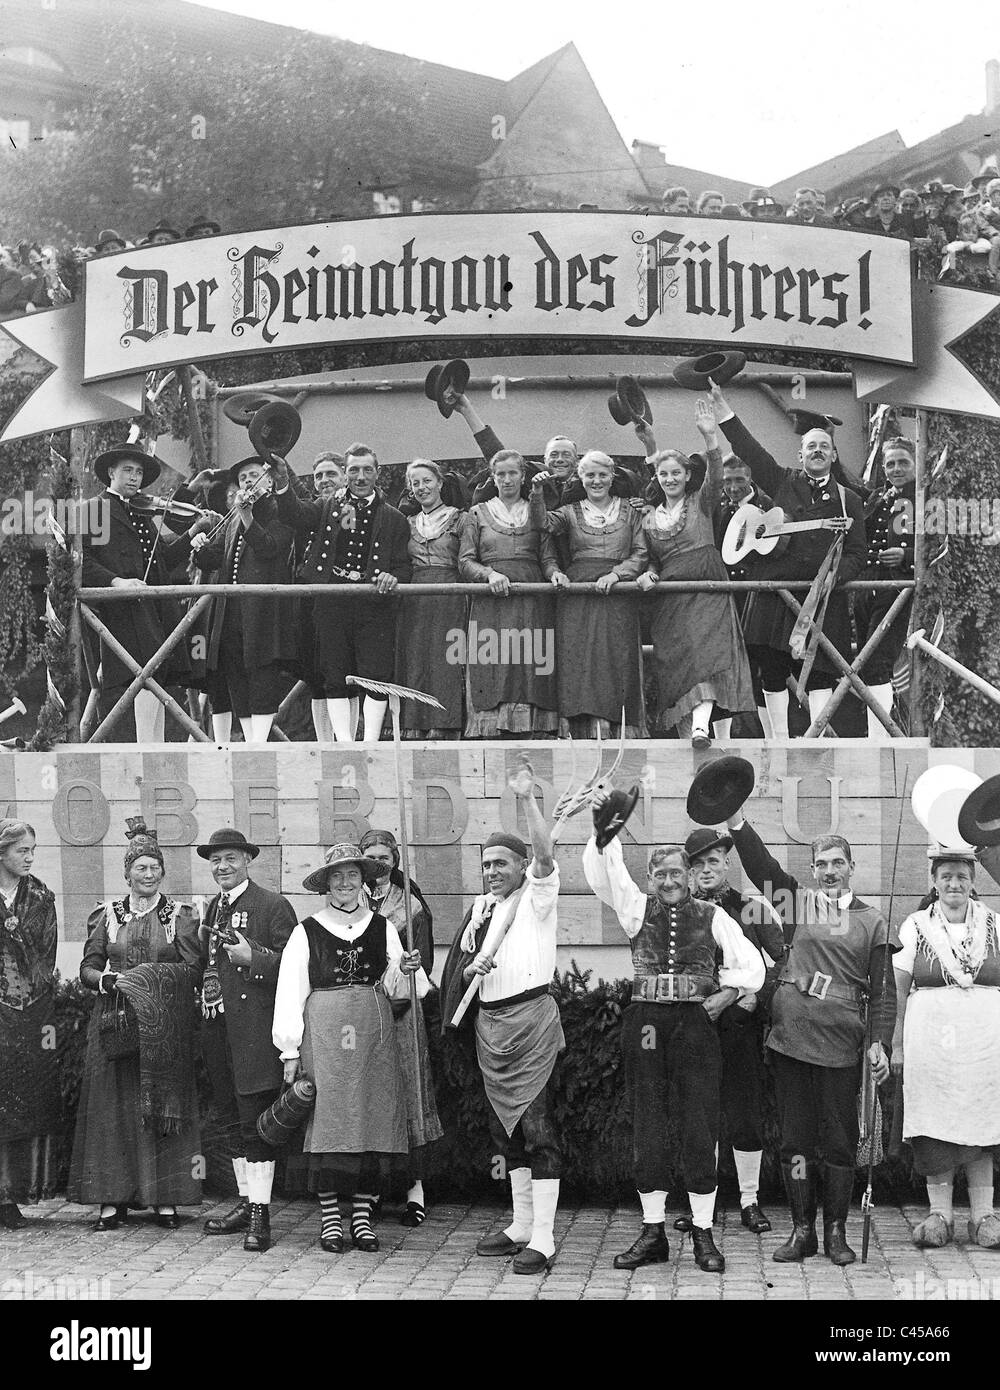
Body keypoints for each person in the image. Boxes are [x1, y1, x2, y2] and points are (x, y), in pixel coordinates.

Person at [582, 808, 764, 1272]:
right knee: (648, 1120)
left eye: (676, 873)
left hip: (696, 1024)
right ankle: (653, 1233)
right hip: (645, 1022)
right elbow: (606, 871)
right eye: (660, 874)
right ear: (650, 877)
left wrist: (723, 996)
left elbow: (753, 968)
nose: (669, 881)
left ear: (689, 875)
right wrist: (606, 829)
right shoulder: (635, 909)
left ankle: (703, 1232)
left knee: (699, 1122)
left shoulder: (713, 914)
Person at [722, 803, 895, 1265]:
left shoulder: (874, 921)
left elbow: (882, 995)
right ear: (813, 871)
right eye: (821, 864)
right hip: (791, 1040)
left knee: (838, 1141)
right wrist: (735, 821)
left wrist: (880, 1043)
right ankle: (803, 1231)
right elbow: (762, 868)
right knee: (796, 1139)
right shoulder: (798, 904)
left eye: (838, 862)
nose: (829, 871)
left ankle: (835, 1232)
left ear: (852, 868)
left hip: (842, 1045)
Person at [440, 761, 564, 1273]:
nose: (493, 871)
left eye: (501, 864)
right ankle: (519, 1225)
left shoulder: (537, 898)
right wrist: (472, 964)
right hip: (490, 1029)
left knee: (539, 1133)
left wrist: (527, 797)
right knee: (504, 1134)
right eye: (487, 864)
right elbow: (462, 973)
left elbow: (544, 852)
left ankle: (545, 1238)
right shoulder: (480, 912)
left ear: (519, 867)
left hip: (532, 1026)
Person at [274, 843, 427, 1253]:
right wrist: (290, 1051)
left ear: (363, 881)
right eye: (337, 876)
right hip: (325, 1035)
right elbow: (290, 992)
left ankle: (361, 1220)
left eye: (353, 876)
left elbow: (402, 989)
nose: (345, 883)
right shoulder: (306, 931)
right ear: (326, 883)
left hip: (373, 1035)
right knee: (330, 1124)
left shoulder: (384, 928)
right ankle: (329, 1222)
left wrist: (405, 969)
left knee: (371, 1122)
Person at [708, 381, 868, 737]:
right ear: (800, 455)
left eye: (824, 446)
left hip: (823, 598)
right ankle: (778, 743)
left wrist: (836, 576)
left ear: (833, 455)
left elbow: (858, 554)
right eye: (810, 446)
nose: (817, 451)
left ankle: (814, 744)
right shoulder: (780, 480)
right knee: (771, 668)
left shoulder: (850, 500)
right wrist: (723, 409)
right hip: (776, 594)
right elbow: (748, 448)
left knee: (823, 670)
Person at [68, 819, 203, 1230]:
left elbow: (194, 967)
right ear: (127, 872)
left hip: (163, 1027)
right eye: (140, 868)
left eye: (154, 867)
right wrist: (107, 980)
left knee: (162, 1106)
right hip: (114, 1021)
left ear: (163, 871)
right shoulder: (107, 915)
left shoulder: (179, 915)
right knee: (114, 1109)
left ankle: (165, 1198)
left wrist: (154, 981)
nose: (148, 875)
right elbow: (88, 967)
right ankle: (112, 1199)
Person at [891, 852, 1000, 1249]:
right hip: (931, 1044)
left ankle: (983, 1216)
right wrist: (897, 1042)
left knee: (981, 1122)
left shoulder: (994, 924)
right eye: (946, 876)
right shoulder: (916, 925)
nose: (954, 884)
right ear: (933, 880)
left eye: (962, 876)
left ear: (973, 881)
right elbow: (899, 988)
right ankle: (940, 1215)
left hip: (985, 1044)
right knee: (936, 1126)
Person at [197, 827, 296, 1253]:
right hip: (217, 1030)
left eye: (231, 859)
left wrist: (252, 959)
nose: (223, 867)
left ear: (247, 861)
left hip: (256, 1032)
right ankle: (244, 1201)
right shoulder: (211, 909)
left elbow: (295, 969)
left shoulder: (272, 905)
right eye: (217, 860)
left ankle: (261, 1215)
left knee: (255, 1120)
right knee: (230, 1118)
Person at [682, 826, 785, 1234]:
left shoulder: (753, 909)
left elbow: (781, 963)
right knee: (699, 1114)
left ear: (727, 862)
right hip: (694, 1026)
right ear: (688, 871)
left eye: (713, 861)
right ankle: (698, 1204)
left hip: (741, 1024)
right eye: (697, 864)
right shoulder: (678, 910)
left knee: (745, 1113)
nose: (706, 870)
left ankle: (749, 1200)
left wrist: (753, 999)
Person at [271, 444, 412, 743]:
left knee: (375, 675)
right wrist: (282, 481)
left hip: (373, 605)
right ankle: (344, 745)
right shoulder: (327, 507)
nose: (360, 477)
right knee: (334, 674)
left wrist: (392, 576)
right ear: (346, 474)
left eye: (367, 470)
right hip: (331, 603)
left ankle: (370, 743)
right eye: (354, 470)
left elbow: (403, 565)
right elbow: (295, 514)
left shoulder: (394, 518)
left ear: (378, 473)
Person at [636, 398, 755, 746]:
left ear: (687, 475)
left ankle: (703, 726)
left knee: (707, 655)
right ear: (657, 479)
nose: (670, 478)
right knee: (679, 664)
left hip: (706, 584)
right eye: (664, 474)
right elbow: (650, 558)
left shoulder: (700, 504)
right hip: (670, 595)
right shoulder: (648, 517)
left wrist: (710, 437)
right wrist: (649, 573)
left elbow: (716, 477)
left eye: (677, 473)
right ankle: (690, 734)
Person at [82, 447, 217, 741]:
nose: (134, 477)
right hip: (119, 610)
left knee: (155, 674)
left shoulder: (141, 513)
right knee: (139, 675)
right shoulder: (95, 509)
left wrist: (194, 530)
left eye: (139, 472)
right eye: (128, 470)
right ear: (111, 473)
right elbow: (81, 561)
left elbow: (163, 560)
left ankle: (153, 746)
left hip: (152, 610)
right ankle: (145, 747)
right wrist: (116, 581)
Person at [529, 449, 648, 737]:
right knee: (580, 659)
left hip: (617, 593)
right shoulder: (570, 512)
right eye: (590, 475)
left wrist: (617, 574)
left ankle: (617, 728)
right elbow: (541, 523)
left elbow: (641, 552)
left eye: (602, 475)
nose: (596, 481)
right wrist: (536, 491)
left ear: (612, 477)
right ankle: (580, 729)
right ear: (580, 478)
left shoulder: (631, 511)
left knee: (615, 657)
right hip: (579, 594)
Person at [357, 829, 442, 1226]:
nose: (378, 864)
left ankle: (415, 1191)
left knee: (408, 1090)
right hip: (362, 1012)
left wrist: (406, 969)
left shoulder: (410, 904)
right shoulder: (350, 900)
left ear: (394, 859)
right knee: (372, 1093)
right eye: (369, 857)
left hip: (404, 1010)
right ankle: (372, 1189)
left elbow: (423, 963)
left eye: (384, 857)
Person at [190, 456, 297, 744]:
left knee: (262, 673)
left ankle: (259, 744)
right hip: (231, 610)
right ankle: (251, 743)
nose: (248, 481)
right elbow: (216, 559)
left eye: (254, 475)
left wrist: (248, 515)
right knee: (235, 672)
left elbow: (268, 548)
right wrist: (200, 548)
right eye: (243, 478)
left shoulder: (280, 512)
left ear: (270, 480)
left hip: (263, 609)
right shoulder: (233, 516)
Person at [458, 450, 560, 737]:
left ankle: (532, 732)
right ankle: (490, 732)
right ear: (493, 477)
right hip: (492, 602)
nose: (506, 479)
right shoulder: (476, 513)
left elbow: (548, 560)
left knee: (529, 665)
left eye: (512, 473)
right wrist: (489, 574)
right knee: (492, 663)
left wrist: (555, 574)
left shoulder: (536, 510)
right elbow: (465, 561)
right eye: (500, 474)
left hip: (531, 601)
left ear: (523, 476)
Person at [0, 820, 61, 1229]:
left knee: (19, 1104)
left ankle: (9, 1195)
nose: (29, 858)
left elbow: (45, 960)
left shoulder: (40, 895)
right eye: (22, 850)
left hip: (25, 1013)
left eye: (32, 850)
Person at [396, 459, 467, 738]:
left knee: (445, 656)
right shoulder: (407, 523)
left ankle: (445, 724)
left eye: (427, 480)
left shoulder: (460, 517)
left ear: (439, 482)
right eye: (415, 483)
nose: (422, 487)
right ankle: (414, 724)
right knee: (416, 656)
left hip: (449, 592)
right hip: (415, 595)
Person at [855, 437, 915, 737]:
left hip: (899, 588)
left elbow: (943, 547)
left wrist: (907, 556)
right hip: (868, 586)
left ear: (916, 464)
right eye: (890, 463)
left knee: (876, 663)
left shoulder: (926, 498)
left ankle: (879, 741)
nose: (896, 469)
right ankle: (875, 737)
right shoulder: (877, 497)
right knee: (864, 663)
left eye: (903, 462)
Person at [711, 454, 774, 738]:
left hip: (754, 596)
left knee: (760, 666)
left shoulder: (767, 506)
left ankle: (772, 738)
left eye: (740, 480)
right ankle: (721, 740)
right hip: (724, 597)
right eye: (728, 481)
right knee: (720, 666)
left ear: (751, 478)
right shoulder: (718, 507)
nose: (733, 487)